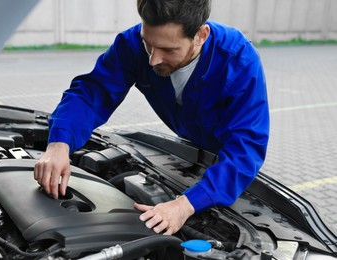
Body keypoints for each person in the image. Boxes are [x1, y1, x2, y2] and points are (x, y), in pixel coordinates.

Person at [34, 0, 269, 236]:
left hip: (225, 163)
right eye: (149, 44)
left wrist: (184, 205)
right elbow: (92, 93)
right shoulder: (132, 43)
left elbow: (245, 149)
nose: (153, 60)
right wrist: (59, 144)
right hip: (188, 148)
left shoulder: (239, 62)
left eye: (168, 50)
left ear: (201, 35)